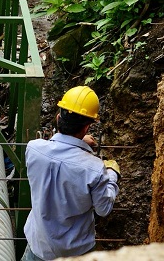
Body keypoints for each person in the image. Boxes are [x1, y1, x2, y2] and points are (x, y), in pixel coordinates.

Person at [22, 86, 120, 260]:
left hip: (39, 247)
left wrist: (77, 140)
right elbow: (103, 209)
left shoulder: (33, 149)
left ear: (58, 118)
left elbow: (56, 150)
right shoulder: (95, 169)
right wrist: (112, 174)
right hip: (74, 252)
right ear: (87, 127)